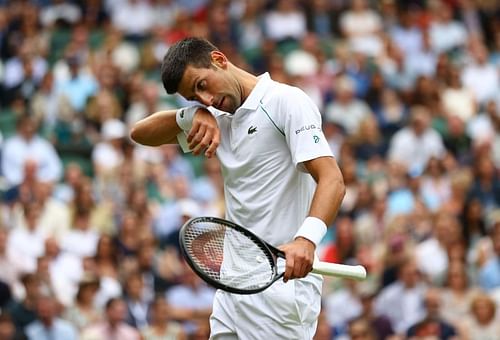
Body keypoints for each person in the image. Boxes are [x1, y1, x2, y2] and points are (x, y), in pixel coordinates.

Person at [131, 37, 346, 339]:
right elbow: (140, 133)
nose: (204, 99)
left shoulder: (286, 101)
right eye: (194, 96)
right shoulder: (213, 118)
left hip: (281, 287)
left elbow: (332, 179)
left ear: (219, 60)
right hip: (233, 286)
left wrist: (306, 241)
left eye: (202, 84)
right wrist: (190, 115)